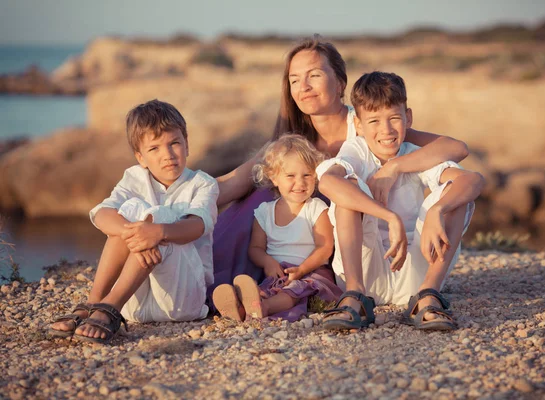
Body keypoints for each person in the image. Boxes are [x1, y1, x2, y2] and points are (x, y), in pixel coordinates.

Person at [210, 35, 470, 300]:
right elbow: (232, 183)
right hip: (303, 248)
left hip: (356, 247)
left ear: (340, 83)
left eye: (314, 75)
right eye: (295, 80)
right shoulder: (293, 142)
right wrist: (182, 202)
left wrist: (395, 168)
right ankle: (233, 286)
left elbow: (456, 148)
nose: (304, 87)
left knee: (346, 190)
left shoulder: (369, 124)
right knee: (258, 198)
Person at [317, 71, 484, 331]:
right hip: (366, 271)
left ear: (408, 117)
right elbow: (328, 182)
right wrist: (389, 217)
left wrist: (438, 209)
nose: (386, 130)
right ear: (358, 125)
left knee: (454, 194)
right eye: (373, 121)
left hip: (414, 277)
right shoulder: (357, 150)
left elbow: (472, 179)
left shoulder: (414, 155)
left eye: (394, 118)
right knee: (347, 187)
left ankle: (428, 295)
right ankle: (354, 296)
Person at [48, 99, 219, 343]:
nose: (167, 155)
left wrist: (157, 232)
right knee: (127, 214)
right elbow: (102, 214)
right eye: (154, 149)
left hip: (182, 301)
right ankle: (95, 302)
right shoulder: (134, 178)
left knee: (157, 217)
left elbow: (196, 227)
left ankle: (110, 307)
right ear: (140, 157)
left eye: (174, 143)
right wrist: (137, 233)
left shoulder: (202, 183)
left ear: (187, 144)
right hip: (136, 305)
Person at [213, 134, 341, 322]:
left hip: (311, 273)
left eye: (307, 175)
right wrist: (267, 262)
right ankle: (240, 308)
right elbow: (255, 249)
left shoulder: (316, 209)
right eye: (290, 176)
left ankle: (263, 308)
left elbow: (325, 248)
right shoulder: (264, 212)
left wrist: (302, 269)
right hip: (278, 274)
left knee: (292, 292)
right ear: (274, 177)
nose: (300, 182)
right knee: (265, 290)